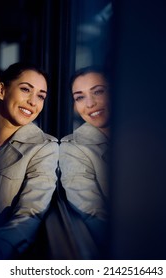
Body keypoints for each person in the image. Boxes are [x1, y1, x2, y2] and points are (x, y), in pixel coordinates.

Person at [0, 62, 59, 259]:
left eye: (41, 96)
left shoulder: (44, 148)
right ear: (2, 90)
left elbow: (31, 213)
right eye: (25, 90)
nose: (33, 102)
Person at [58, 66, 110, 259]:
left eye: (98, 91)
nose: (90, 103)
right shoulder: (73, 148)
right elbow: (92, 213)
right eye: (79, 97)